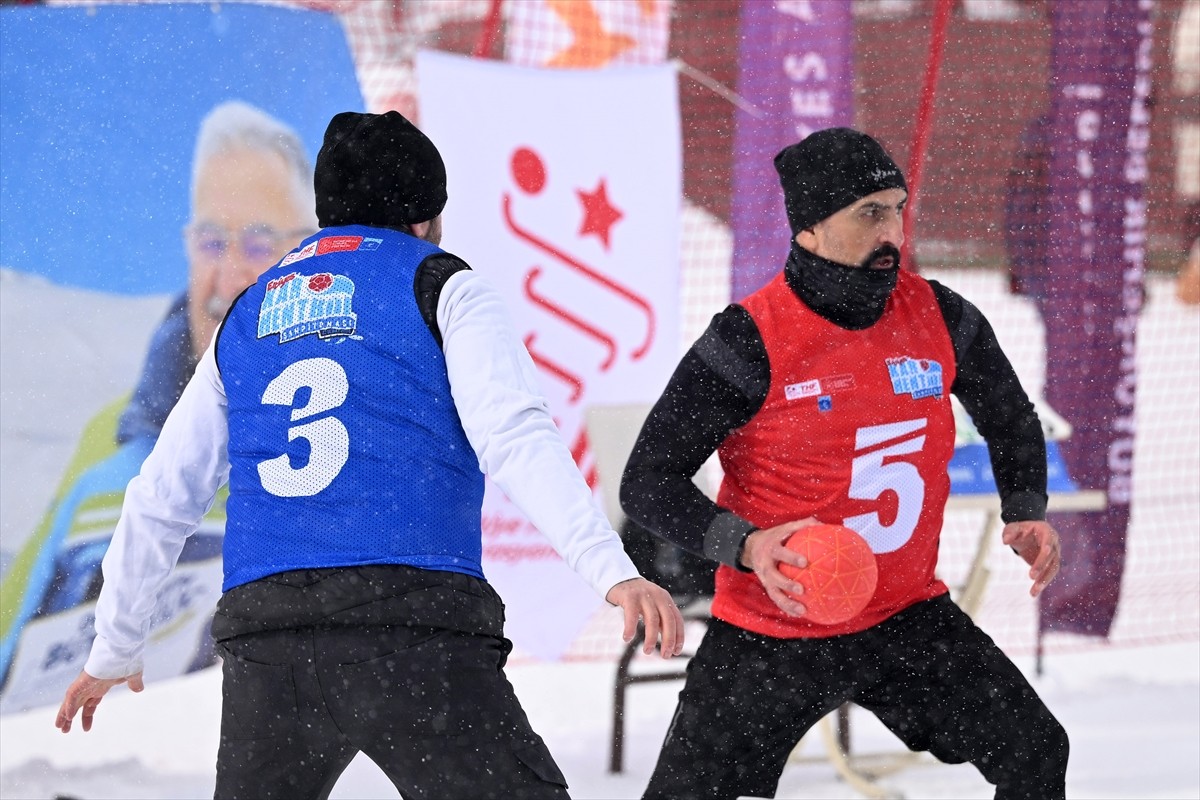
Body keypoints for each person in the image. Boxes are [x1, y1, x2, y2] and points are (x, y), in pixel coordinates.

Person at [54, 110, 684, 800]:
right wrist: (612, 571)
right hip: (411, 622)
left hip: (271, 637)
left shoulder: (248, 311)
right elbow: (514, 435)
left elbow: (163, 493)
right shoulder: (443, 285)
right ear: (422, 217)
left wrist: (115, 644)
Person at [621, 127, 1068, 800]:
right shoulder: (749, 338)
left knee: (1035, 752)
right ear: (811, 227)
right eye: (869, 213)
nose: (893, 231)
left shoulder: (941, 314)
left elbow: (1009, 414)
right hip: (774, 629)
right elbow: (647, 481)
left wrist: (1026, 507)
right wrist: (744, 546)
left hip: (905, 617)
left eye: (897, 208)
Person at [0, 100, 317, 705]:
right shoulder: (112, 443)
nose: (226, 280)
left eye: (256, 243)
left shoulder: (362, 430)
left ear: (309, 255)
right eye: (209, 241)